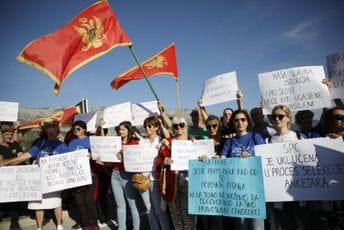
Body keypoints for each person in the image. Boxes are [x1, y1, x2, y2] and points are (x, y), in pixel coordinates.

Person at [3, 121, 67, 230]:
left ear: (58, 131)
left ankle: (59, 226)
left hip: (54, 179)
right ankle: (39, 227)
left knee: (56, 202)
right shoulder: (40, 144)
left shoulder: (62, 145)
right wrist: (7, 163)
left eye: (53, 128)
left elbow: (71, 159)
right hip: (39, 179)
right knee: (38, 204)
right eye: (48, 128)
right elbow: (25, 156)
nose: (51, 131)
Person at [220, 110, 265, 229]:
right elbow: (222, 160)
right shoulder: (230, 141)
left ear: (247, 122)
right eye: (236, 120)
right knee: (241, 224)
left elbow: (265, 157)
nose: (240, 122)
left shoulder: (255, 136)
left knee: (256, 225)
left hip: (254, 187)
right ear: (233, 123)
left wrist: (251, 158)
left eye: (243, 119)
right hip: (237, 189)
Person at [156, 115, 196, 230]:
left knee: (189, 216)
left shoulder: (192, 141)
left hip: (189, 184)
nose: (178, 127)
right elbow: (159, 164)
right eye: (175, 125)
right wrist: (165, 161)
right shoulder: (166, 142)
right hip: (172, 184)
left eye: (181, 125)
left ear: (185, 126)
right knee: (176, 215)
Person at [138, 116, 171, 230]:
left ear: (156, 127)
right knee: (149, 210)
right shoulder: (142, 142)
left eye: (149, 126)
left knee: (159, 211)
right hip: (143, 180)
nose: (147, 128)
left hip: (156, 180)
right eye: (145, 126)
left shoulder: (162, 140)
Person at [108, 121, 141, 230]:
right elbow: (109, 158)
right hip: (115, 174)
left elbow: (136, 160)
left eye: (123, 129)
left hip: (127, 175)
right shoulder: (115, 143)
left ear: (128, 130)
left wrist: (124, 158)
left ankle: (136, 228)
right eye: (119, 129)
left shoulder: (133, 143)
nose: (120, 131)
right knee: (120, 205)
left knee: (133, 205)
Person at [68, 120, 99, 230]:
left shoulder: (91, 141)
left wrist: (92, 156)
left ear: (84, 130)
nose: (75, 131)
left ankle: (94, 223)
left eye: (78, 129)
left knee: (89, 201)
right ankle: (86, 224)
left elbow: (98, 154)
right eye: (74, 129)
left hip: (90, 174)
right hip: (76, 176)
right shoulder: (72, 143)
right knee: (80, 201)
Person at [197, 115, 225, 230]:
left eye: (214, 125)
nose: (212, 128)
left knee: (217, 218)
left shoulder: (226, 142)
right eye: (208, 127)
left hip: (222, 185)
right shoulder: (201, 144)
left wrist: (221, 159)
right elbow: (195, 162)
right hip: (206, 185)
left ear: (219, 126)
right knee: (205, 218)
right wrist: (199, 158)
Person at [0, 126, 25, 230]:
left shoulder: (15, 145)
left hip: (15, 179)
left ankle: (14, 224)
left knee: (15, 201)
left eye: (11, 135)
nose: (9, 137)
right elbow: (1, 163)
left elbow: (22, 157)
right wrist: (16, 160)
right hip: (2, 179)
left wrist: (8, 161)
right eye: (6, 134)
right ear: (1, 134)